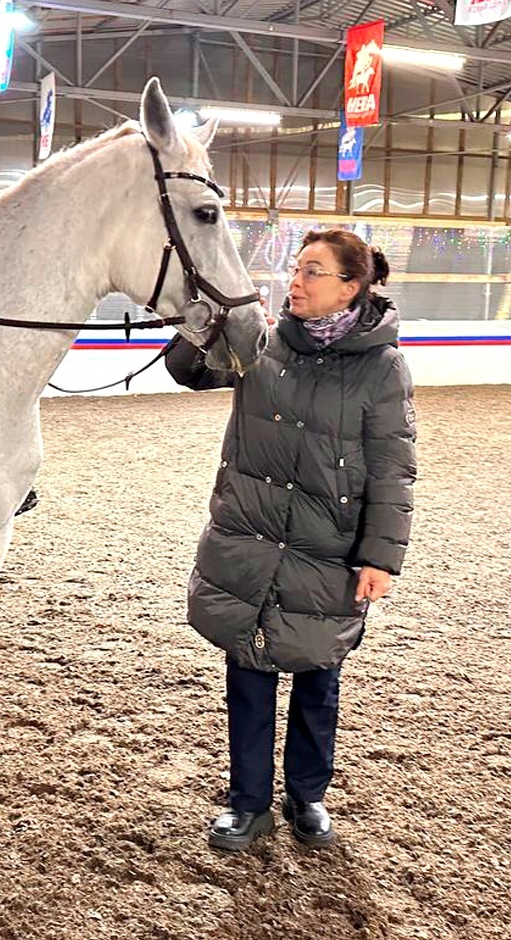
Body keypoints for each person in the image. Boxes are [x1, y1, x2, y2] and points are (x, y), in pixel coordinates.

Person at [166, 228, 417, 850]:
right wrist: (203, 325)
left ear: (350, 288)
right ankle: (248, 802)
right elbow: (189, 372)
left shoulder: (383, 367)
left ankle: (307, 795)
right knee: (248, 674)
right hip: (251, 537)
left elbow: (393, 468)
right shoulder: (262, 340)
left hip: (327, 547)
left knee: (317, 676)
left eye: (312, 271)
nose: (295, 281)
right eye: (296, 268)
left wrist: (380, 557)